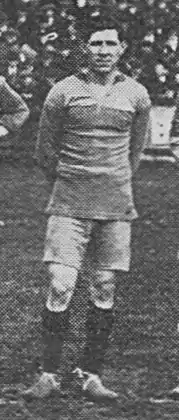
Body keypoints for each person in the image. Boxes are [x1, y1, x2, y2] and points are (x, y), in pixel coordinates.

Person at [23, 9, 151, 401]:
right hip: (69, 203)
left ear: (122, 49)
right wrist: (76, 179)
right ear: (84, 47)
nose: (103, 50)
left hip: (115, 206)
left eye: (110, 43)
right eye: (96, 43)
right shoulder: (62, 91)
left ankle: (90, 374)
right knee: (61, 285)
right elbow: (45, 151)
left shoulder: (137, 94)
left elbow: (136, 151)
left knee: (104, 285)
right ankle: (48, 374)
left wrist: (112, 182)